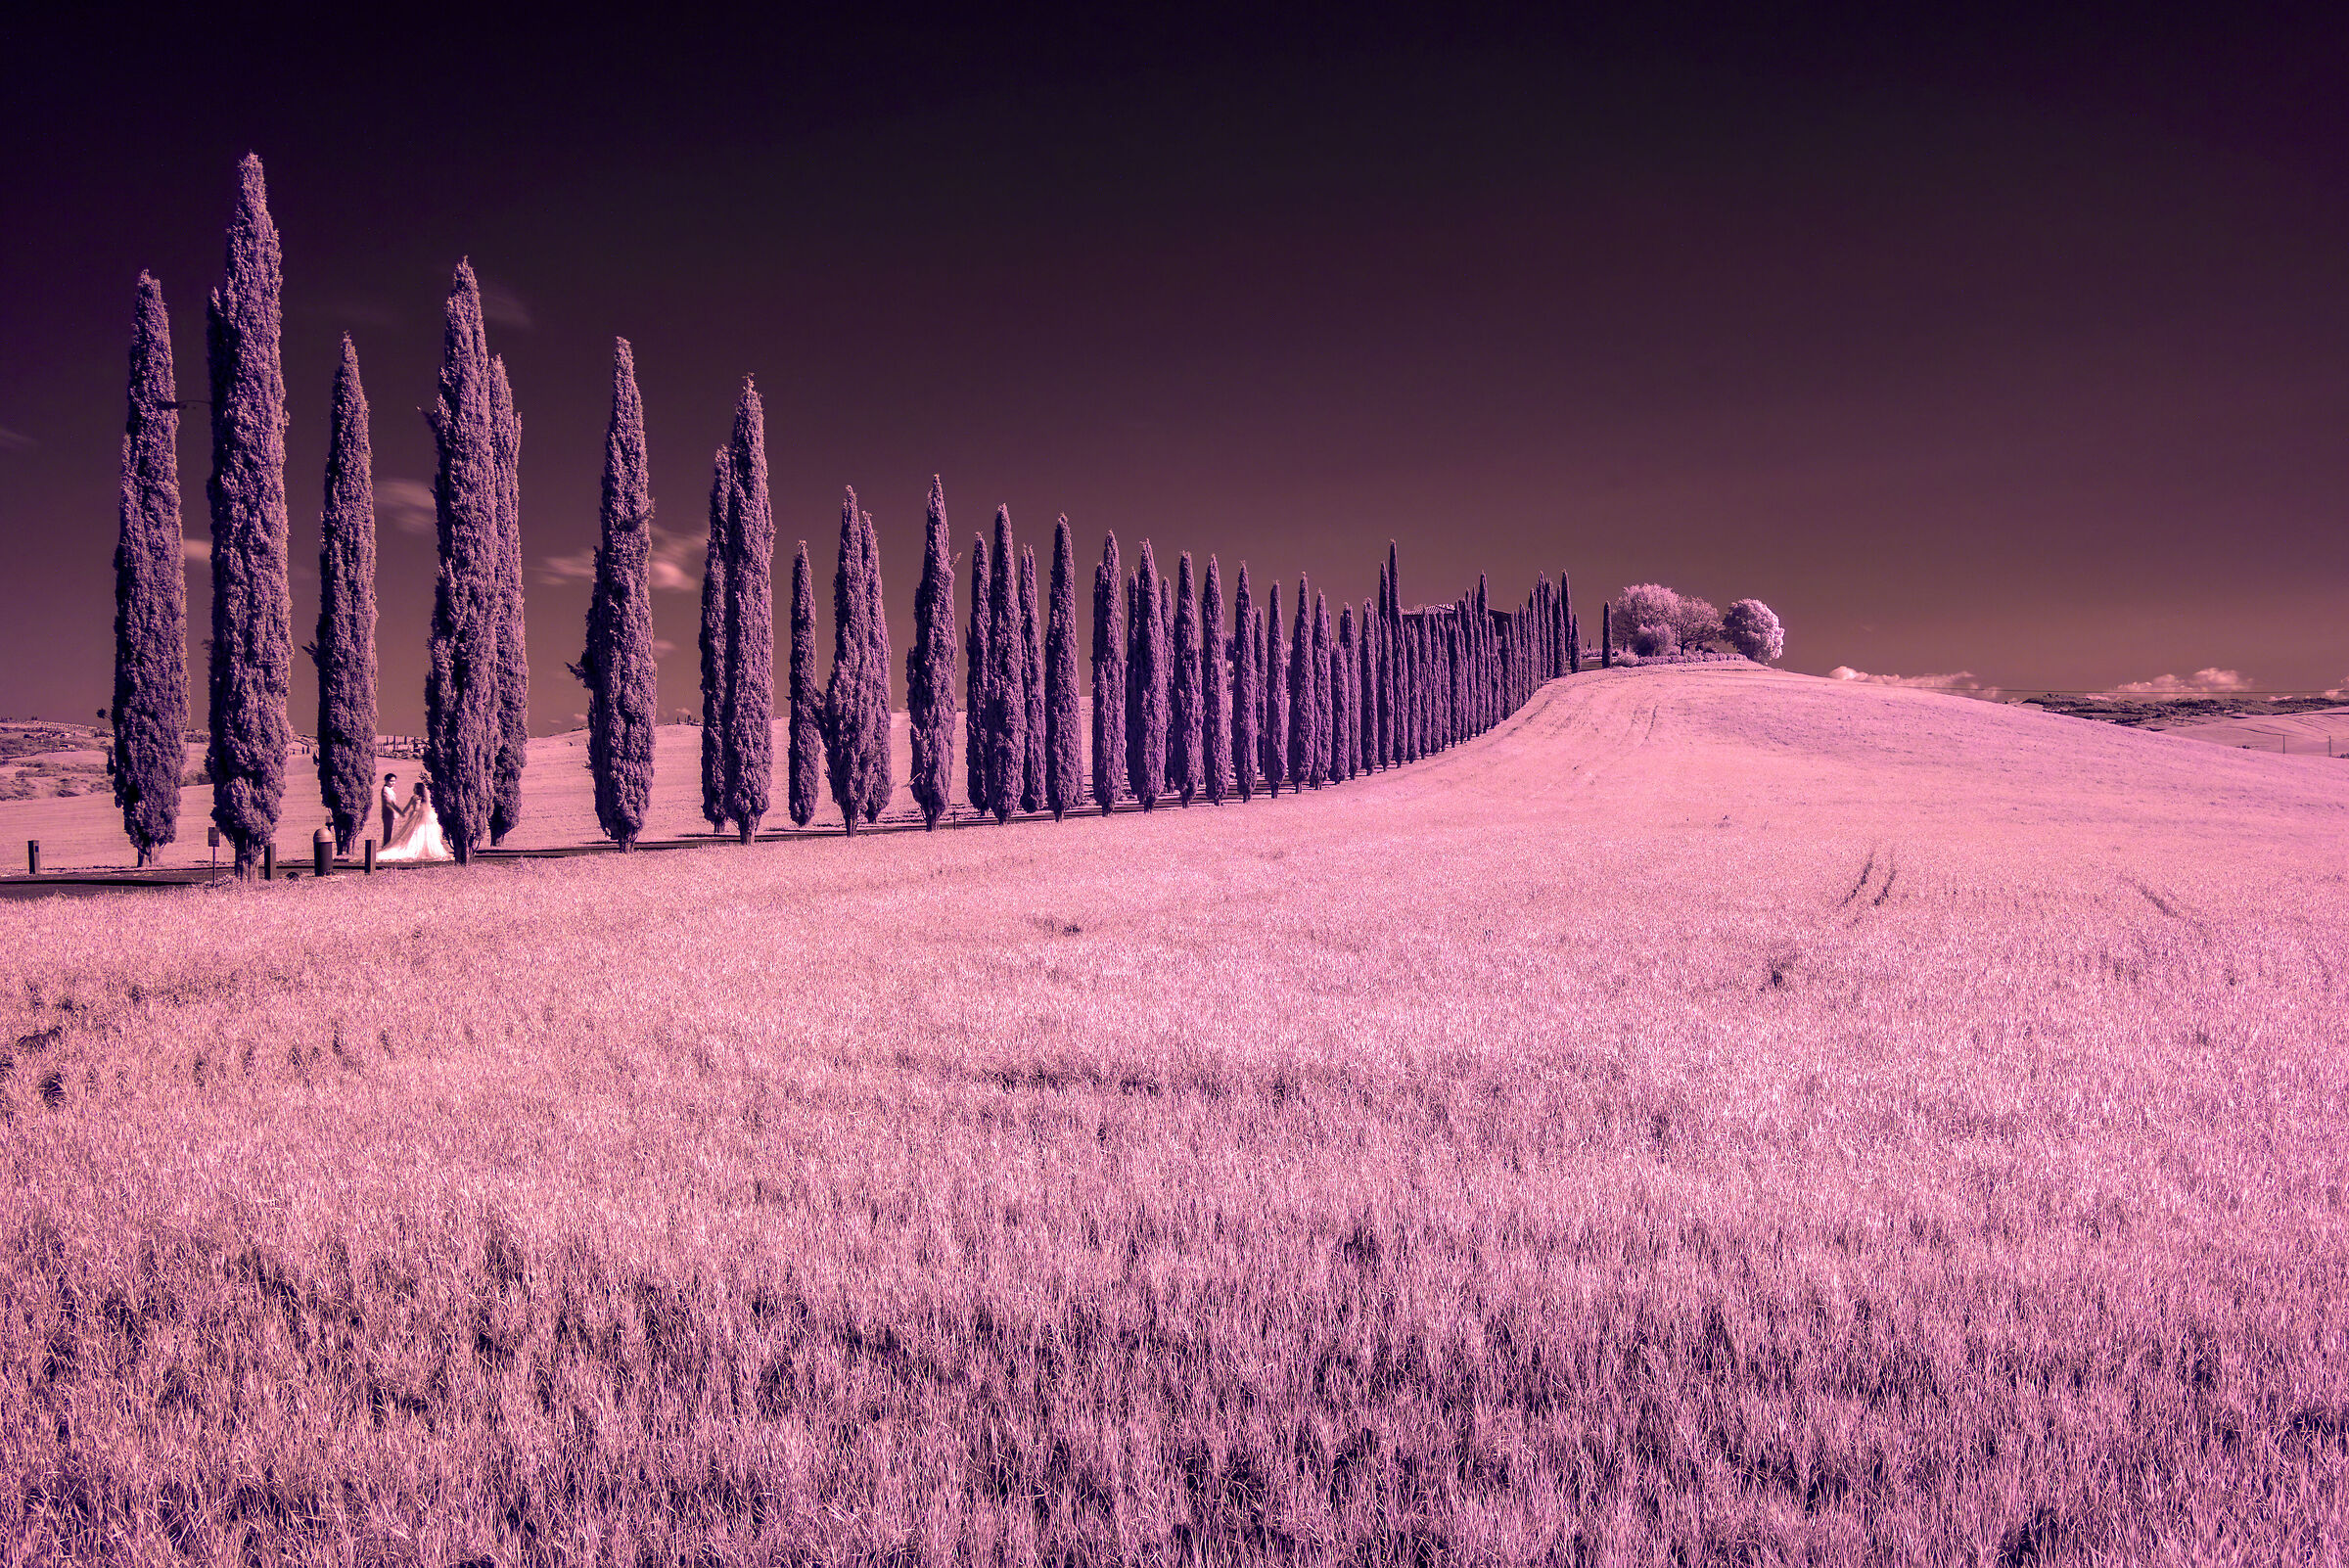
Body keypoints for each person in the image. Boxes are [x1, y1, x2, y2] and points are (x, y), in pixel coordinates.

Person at [379, 779, 452, 863]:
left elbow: (407, 807)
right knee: (424, 834)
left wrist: (402, 813)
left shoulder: (414, 797)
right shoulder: (426, 799)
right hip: (425, 817)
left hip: (416, 816)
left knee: (412, 834)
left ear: (416, 789)